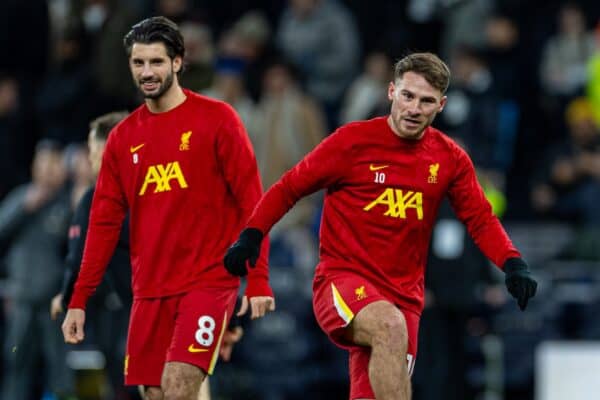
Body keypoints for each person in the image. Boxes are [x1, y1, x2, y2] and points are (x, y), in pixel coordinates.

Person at [224, 52, 538, 400]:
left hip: (406, 297)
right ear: (391, 92)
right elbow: (289, 187)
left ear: (441, 105)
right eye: (408, 96)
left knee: (373, 388)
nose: (414, 108)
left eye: (426, 101)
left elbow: (479, 218)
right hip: (343, 281)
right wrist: (251, 236)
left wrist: (513, 264)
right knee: (388, 325)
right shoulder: (352, 142)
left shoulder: (449, 158)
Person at [61, 16, 274, 400]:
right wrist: (79, 298)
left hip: (208, 282)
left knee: (179, 388)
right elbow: (103, 224)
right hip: (149, 292)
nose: (147, 72)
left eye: (156, 62)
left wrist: (257, 278)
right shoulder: (123, 140)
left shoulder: (218, 119)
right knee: (156, 394)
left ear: (177, 62)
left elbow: (253, 204)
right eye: (138, 63)